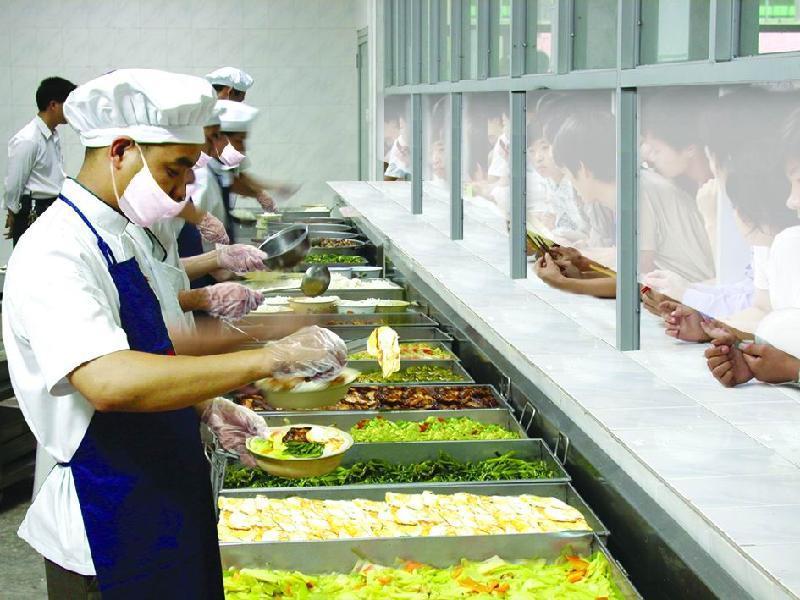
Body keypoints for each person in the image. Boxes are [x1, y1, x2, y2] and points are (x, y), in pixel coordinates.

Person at [3, 69, 346, 599]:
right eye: (176, 168)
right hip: (106, 518)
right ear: (120, 150)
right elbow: (109, 381)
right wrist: (270, 356)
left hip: (162, 489)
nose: (186, 188)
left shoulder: (123, 236)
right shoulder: (56, 250)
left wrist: (205, 405)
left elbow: (157, 345)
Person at [3, 76, 76, 245]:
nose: (72, 110)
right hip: (34, 211)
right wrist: (13, 214)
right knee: (31, 259)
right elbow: (14, 182)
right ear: (53, 105)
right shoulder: (28, 139)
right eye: (68, 104)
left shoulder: (52, 135)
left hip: (51, 207)